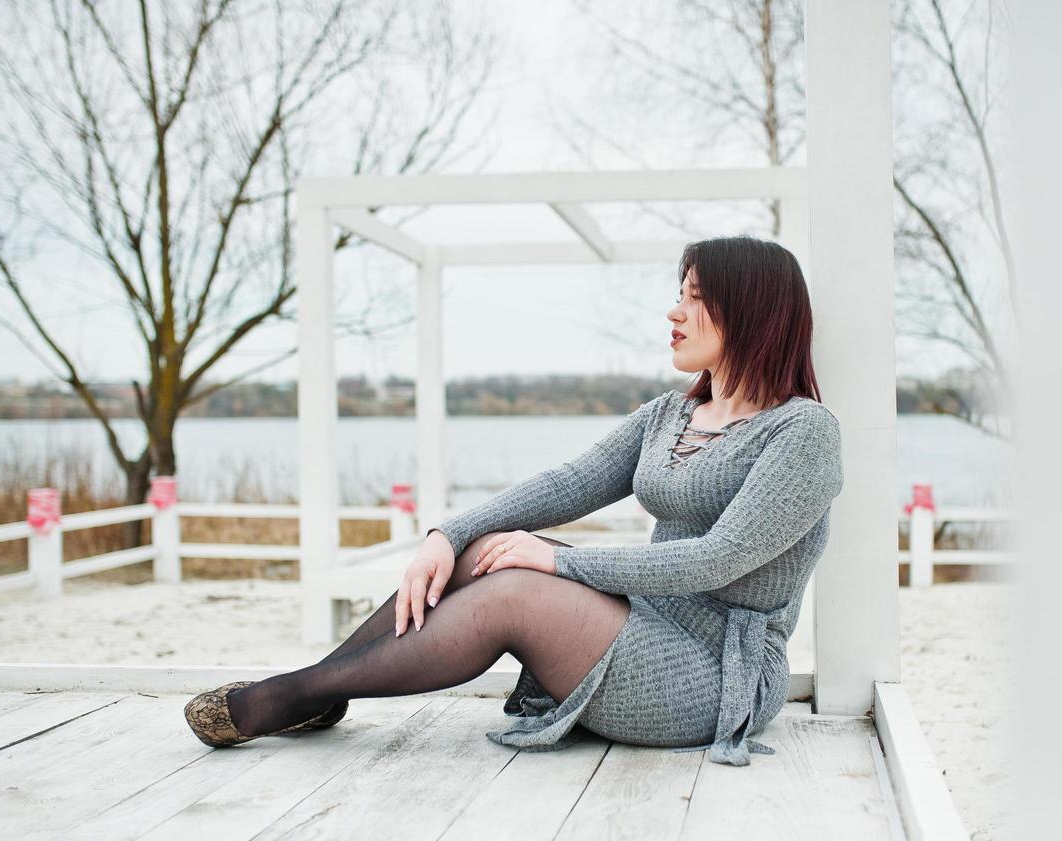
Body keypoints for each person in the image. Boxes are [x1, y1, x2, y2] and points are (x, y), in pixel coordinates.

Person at [183, 235, 844, 767]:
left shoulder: (802, 432)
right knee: (485, 551)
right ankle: (320, 690)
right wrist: (447, 534)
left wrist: (559, 564)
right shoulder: (670, 414)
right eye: (678, 295)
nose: (674, 313)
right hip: (643, 624)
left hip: (713, 677)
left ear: (751, 311)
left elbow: (716, 560)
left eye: (694, 298)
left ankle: (292, 693)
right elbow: (569, 483)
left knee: (516, 584)